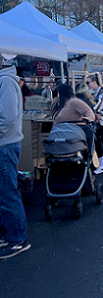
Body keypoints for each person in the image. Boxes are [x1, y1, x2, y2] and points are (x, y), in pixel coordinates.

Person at [0, 54, 31, 259]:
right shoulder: (6, 81)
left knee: (8, 192)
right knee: (5, 192)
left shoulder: (5, 81)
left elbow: (7, 118)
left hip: (5, 145)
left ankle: (17, 239)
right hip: (6, 143)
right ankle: (9, 235)